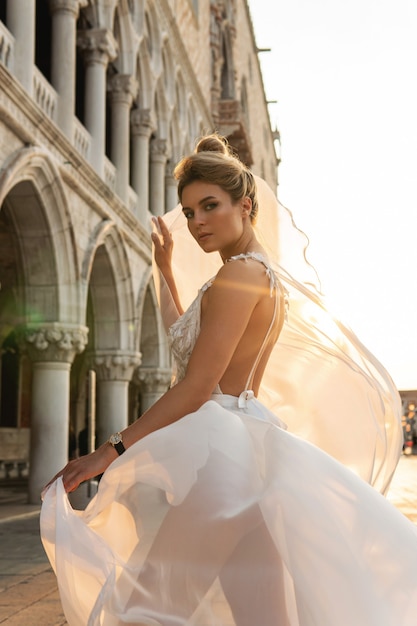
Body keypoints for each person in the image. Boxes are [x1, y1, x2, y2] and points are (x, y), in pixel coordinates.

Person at [41, 134, 417, 626]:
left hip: (224, 460)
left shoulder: (238, 276)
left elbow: (197, 387)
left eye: (209, 206)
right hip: (248, 453)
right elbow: (185, 336)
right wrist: (164, 269)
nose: (197, 222)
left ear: (246, 204)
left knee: (147, 606)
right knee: (263, 615)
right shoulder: (257, 273)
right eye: (189, 210)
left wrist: (107, 451)